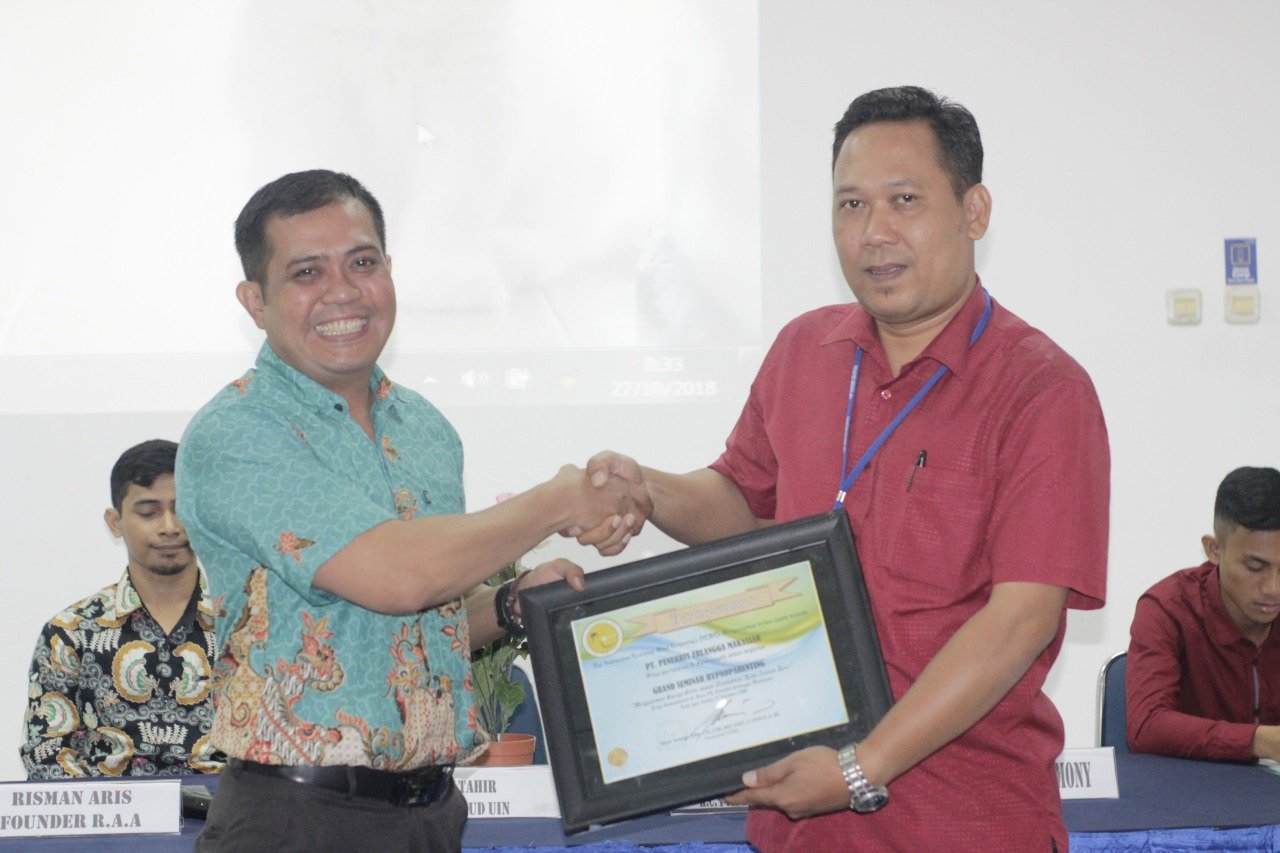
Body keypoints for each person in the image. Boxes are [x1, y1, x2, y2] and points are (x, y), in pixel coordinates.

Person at [578, 86, 1110, 850]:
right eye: (851, 205)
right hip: (798, 823)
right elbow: (741, 501)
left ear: (975, 211)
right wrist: (648, 489)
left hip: (962, 822)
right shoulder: (805, 351)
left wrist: (862, 767)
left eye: (905, 200)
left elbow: (1018, 621)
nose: (874, 232)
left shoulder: (1042, 389)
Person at [175, 169, 647, 851]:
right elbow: (399, 576)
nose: (343, 290)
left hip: (431, 813)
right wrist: (559, 499)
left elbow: (420, 622)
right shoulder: (238, 432)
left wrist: (508, 603)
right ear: (255, 300)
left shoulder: (425, 429)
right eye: (307, 272)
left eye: (362, 263)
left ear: (390, 271)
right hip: (296, 819)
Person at [21, 439, 223, 779]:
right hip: (111, 809)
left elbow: (279, 748)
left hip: (226, 809)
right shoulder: (70, 632)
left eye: (183, 509)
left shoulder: (247, 625)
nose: (170, 526)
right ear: (115, 522)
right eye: (148, 512)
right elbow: (46, 755)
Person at [1127, 466, 1280, 761]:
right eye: (1255, 567)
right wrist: (1259, 741)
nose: (1273, 589)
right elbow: (1146, 726)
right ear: (1214, 550)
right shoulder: (1168, 608)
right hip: (1192, 788)